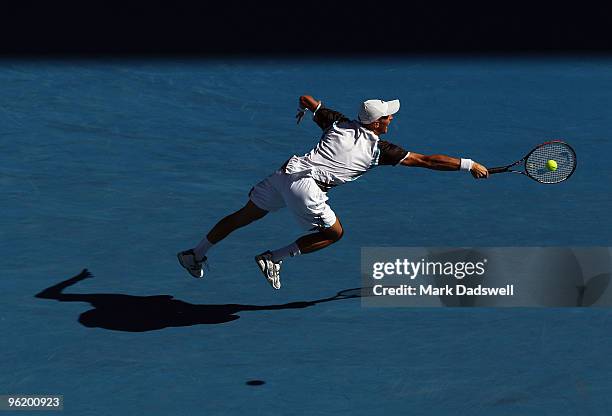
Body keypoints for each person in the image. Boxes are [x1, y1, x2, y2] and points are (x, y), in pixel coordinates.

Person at [177, 95, 489, 289]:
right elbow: (427, 161)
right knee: (334, 233)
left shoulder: (337, 122)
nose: (391, 118)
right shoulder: (381, 150)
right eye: (387, 116)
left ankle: (196, 253)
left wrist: (305, 106)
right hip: (307, 187)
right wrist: (468, 164)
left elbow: (308, 99)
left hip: (286, 174)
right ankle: (274, 258)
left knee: (241, 217)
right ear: (377, 123)